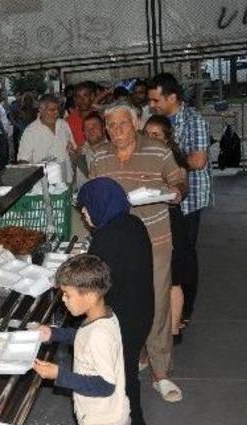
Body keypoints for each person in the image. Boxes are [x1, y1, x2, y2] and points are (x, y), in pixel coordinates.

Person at [90, 103, 187, 403]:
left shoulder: (158, 150)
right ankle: (129, 359)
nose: (116, 130)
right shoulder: (99, 156)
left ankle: (161, 373)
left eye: (123, 123)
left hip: (155, 239)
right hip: (118, 244)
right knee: (120, 304)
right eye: (111, 125)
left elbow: (179, 179)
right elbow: (95, 195)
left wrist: (176, 193)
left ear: (136, 124)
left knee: (157, 305)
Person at [32, 254, 130, 425]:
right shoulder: (102, 316)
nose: (63, 299)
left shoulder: (100, 335)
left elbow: (105, 385)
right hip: (108, 418)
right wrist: (53, 334)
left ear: (90, 295)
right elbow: (83, 336)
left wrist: (59, 374)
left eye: (67, 294)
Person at [76, 178, 153, 425]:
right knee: (127, 369)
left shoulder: (107, 237)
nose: (84, 215)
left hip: (121, 317)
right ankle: (136, 422)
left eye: (86, 208)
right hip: (141, 309)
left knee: (120, 376)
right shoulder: (133, 223)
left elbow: (96, 285)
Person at [147, 73, 211, 324]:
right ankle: (169, 304)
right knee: (167, 254)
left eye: (155, 100)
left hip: (189, 199)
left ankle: (185, 309)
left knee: (185, 255)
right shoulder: (156, 121)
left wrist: (166, 160)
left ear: (172, 97)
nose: (151, 105)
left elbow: (198, 160)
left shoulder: (194, 121)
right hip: (162, 200)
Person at [144, 115, 193, 341]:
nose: (150, 138)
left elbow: (182, 187)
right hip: (148, 221)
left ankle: (174, 330)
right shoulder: (141, 158)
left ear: (167, 138)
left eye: (156, 135)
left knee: (173, 277)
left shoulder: (174, 160)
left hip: (170, 221)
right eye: (147, 134)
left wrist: (173, 192)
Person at [18, 94, 77, 185]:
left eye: (57, 109)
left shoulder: (63, 125)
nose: (56, 113)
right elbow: (23, 161)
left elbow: (73, 150)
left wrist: (72, 152)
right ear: (41, 110)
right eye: (52, 110)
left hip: (67, 179)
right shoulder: (31, 131)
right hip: (44, 183)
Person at [66, 82, 97, 149]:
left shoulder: (101, 117)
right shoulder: (69, 121)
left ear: (92, 96)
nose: (82, 100)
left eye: (85, 95)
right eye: (78, 97)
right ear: (75, 99)